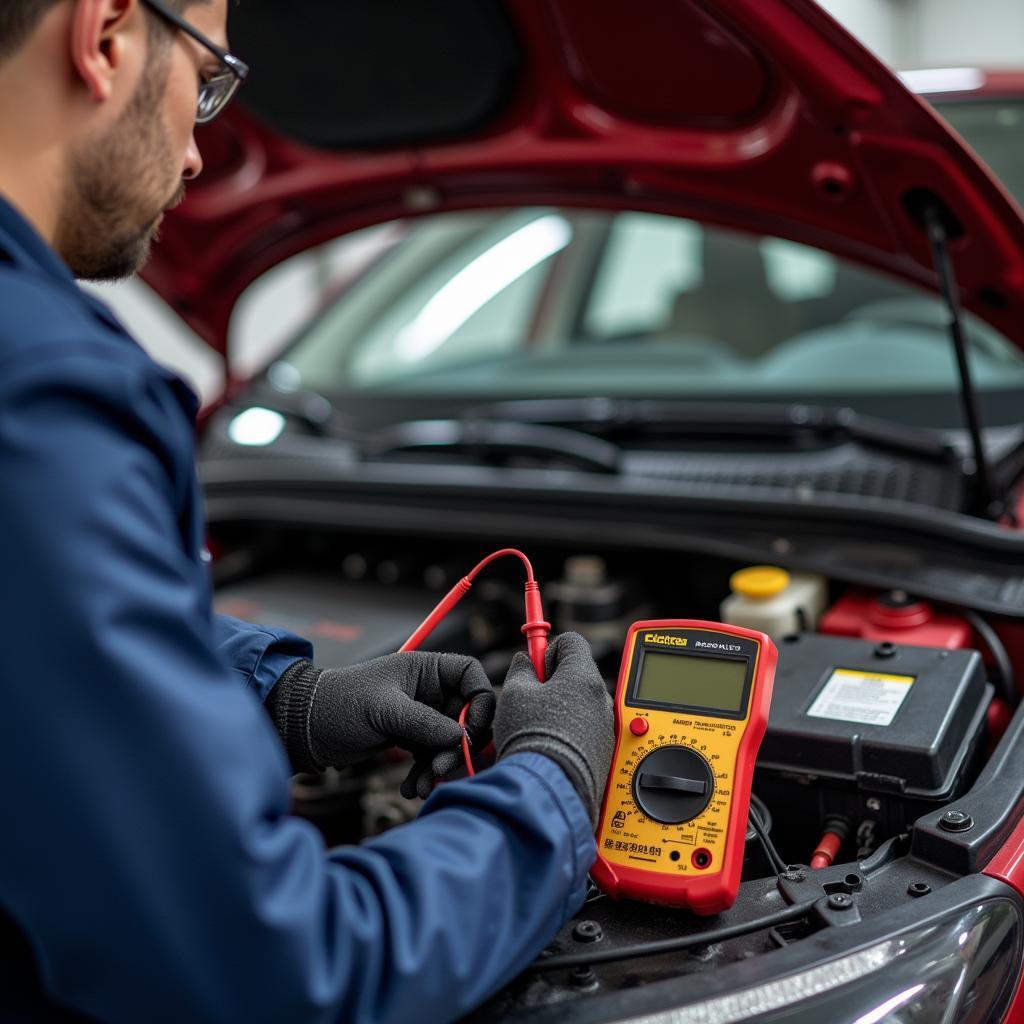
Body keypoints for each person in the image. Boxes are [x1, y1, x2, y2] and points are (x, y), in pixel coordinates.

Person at [0, 1, 615, 1021]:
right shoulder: (47, 394)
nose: (201, 155)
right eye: (205, 81)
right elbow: (275, 976)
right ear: (105, 34)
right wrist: (548, 791)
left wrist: (277, 693)